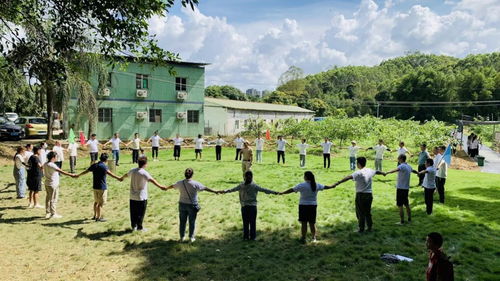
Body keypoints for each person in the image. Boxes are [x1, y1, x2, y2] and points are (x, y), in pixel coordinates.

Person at [329, 157, 385, 232]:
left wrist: (337, 183)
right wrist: (383, 173)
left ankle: (361, 229)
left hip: (361, 195)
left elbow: (349, 177)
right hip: (369, 195)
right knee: (367, 212)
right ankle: (369, 228)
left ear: (358, 163)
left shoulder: (358, 172)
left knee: (360, 212)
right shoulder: (370, 170)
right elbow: (377, 171)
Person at [220, 171, 278, 241]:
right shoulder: (252, 186)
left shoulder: (242, 185)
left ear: (245, 177)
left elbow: (232, 190)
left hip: (245, 207)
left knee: (246, 222)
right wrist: (275, 192)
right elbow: (265, 190)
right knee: (251, 222)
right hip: (251, 207)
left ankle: (246, 237)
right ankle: (251, 237)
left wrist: (224, 191)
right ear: (250, 177)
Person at [164, 168, 219, 242]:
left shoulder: (180, 183)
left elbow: (172, 186)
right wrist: (215, 191)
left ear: (184, 174)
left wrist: (166, 188)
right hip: (192, 205)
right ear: (192, 175)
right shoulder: (195, 183)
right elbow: (205, 188)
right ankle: (191, 237)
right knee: (192, 221)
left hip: (182, 204)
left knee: (182, 221)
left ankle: (182, 237)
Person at [279, 171, 333, 243]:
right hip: (313, 206)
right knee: (312, 223)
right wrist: (334, 185)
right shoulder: (316, 185)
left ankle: (303, 238)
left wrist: (282, 193)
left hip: (303, 206)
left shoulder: (302, 185)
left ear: (306, 177)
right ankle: (314, 238)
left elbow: (292, 190)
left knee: (304, 223)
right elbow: (326, 187)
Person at [119, 157, 167, 231]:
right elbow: (152, 180)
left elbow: (126, 174)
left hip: (132, 196)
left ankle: (133, 226)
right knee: (140, 213)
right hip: (141, 196)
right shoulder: (144, 172)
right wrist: (160, 186)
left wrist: (121, 178)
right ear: (145, 164)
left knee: (133, 212)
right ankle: (139, 227)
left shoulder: (133, 170)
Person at [77, 153, 122, 222]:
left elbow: (86, 171)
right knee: (100, 204)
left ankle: (95, 216)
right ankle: (99, 217)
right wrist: (118, 178)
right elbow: (110, 174)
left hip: (95, 187)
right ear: (106, 160)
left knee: (96, 202)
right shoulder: (104, 166)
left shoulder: (95, 165)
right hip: (102, 187)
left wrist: (78, 175)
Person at [43, 151, 77, 219]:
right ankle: (53, 213)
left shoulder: (45, 163)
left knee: (48, 198)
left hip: (47, 183)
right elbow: (61, 171)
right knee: (53, 199)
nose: (56, 158)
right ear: (53, 158)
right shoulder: (52, 164)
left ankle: (48, 212)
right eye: (56, 157)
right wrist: (71, 175)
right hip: (53, 184)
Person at [383, 154, 413, 225]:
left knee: (400, 205)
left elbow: (396, 169)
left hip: (400, 189)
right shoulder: (409, 166)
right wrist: (418, 173)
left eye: (398, 158)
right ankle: (409, 219)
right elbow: (413, 170)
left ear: (401, 159)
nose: (398, 160)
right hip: (406, 188)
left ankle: (402, 221)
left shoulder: (401, 166)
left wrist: (387, 172)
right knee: (406, 204)